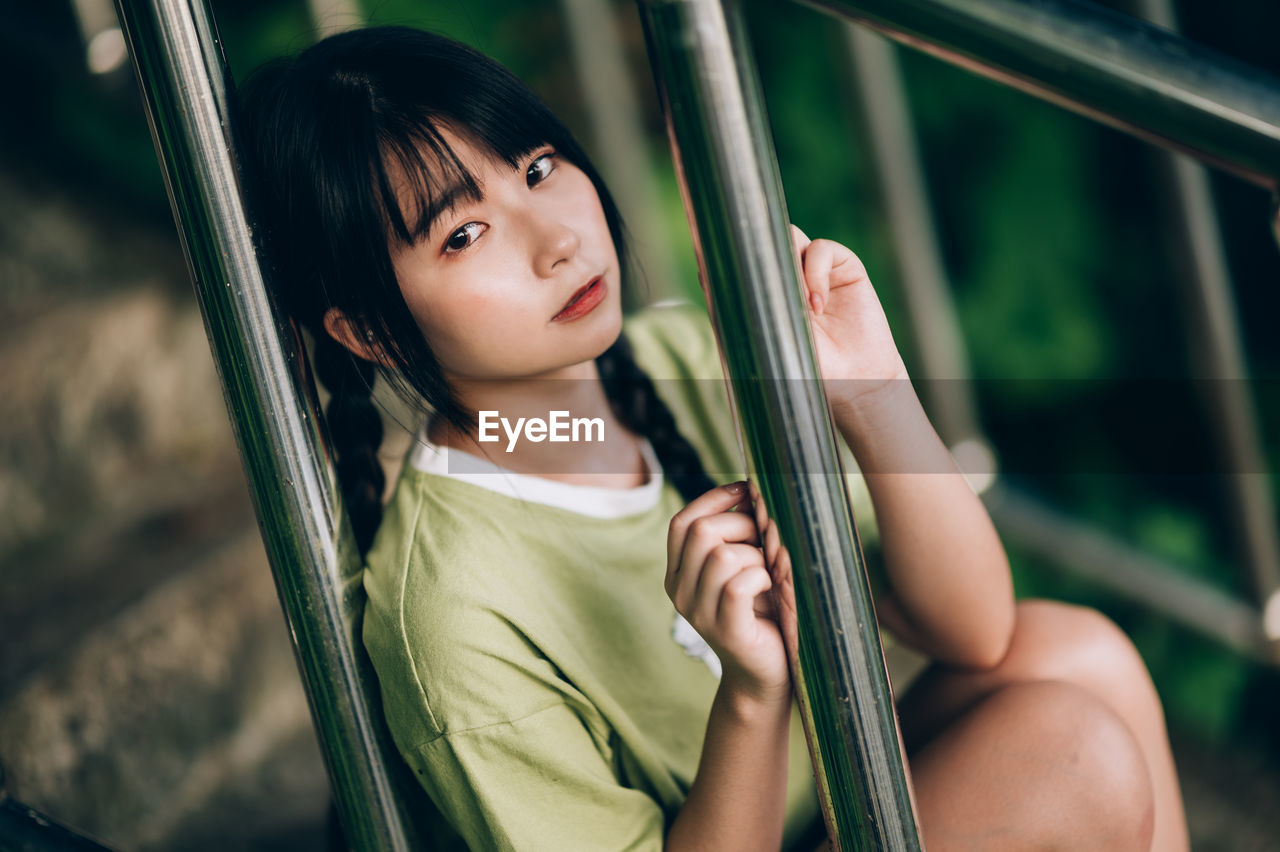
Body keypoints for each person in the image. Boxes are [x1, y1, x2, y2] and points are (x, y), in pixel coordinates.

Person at [237, 25, 1187, 851]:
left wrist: (873, 394)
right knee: (1077, 764)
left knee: (1082, 655)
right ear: (364, 330)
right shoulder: (448, 614)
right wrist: (749, 692)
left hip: (829, 805)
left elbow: (973, 630)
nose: (556, 238)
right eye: (462, 235)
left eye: (536, 169)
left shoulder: (684, 353)